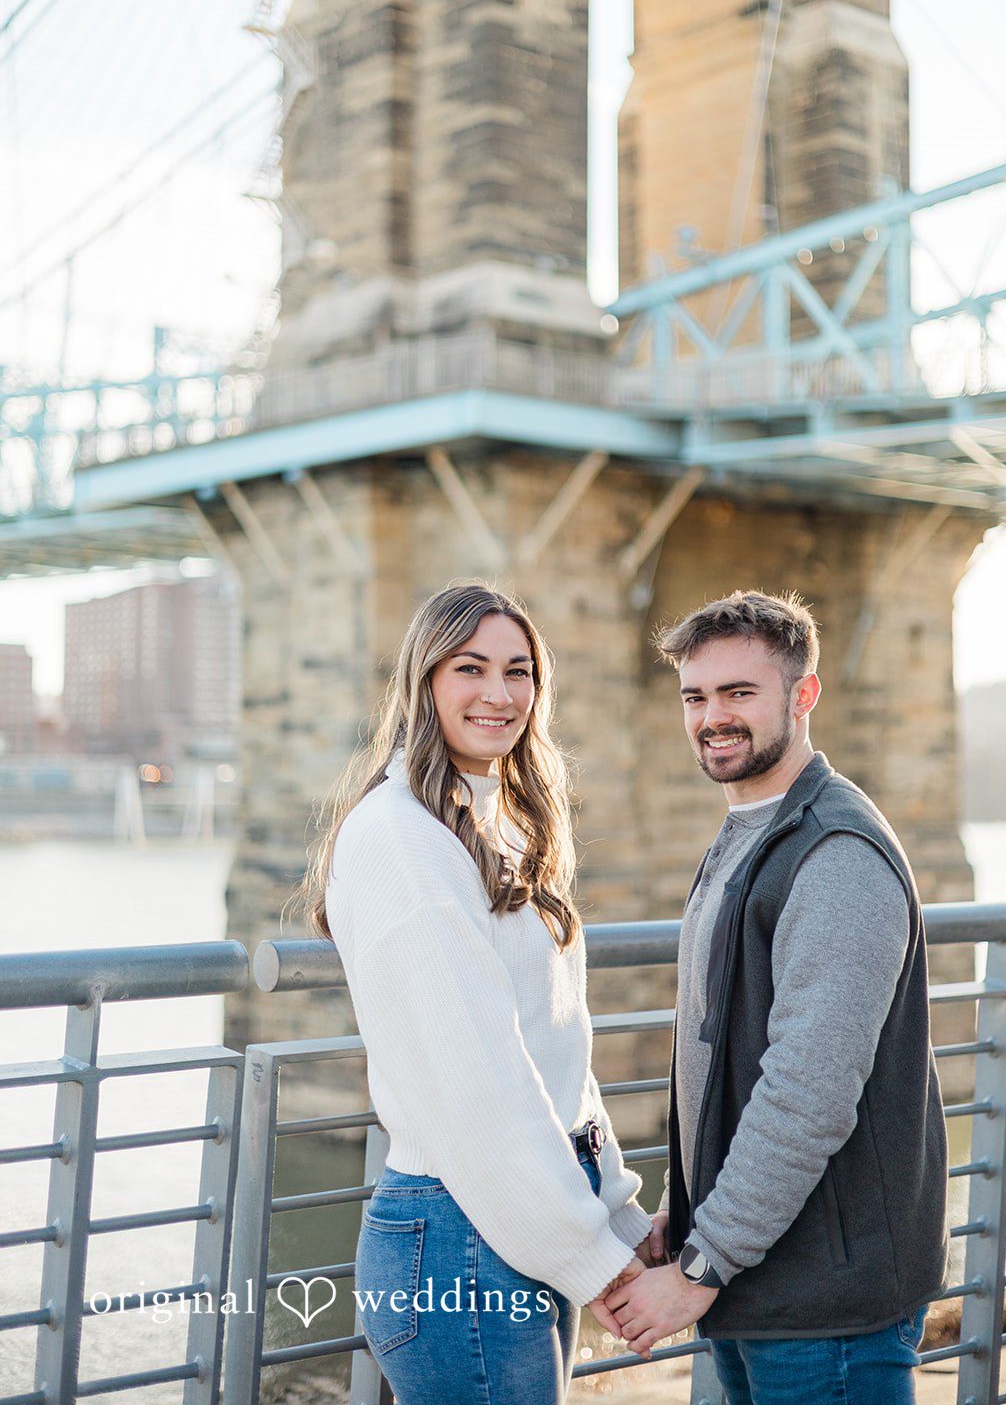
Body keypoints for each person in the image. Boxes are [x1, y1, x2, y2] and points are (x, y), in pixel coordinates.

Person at [294, 582, 653, 1404]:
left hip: (515, 1224)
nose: (500, 694)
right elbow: (476, 1083)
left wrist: (617, 1216)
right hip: (459, 1242)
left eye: (519, 671)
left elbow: (557, 1053)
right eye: (471, 668)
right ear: (425, 681)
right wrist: (591, 1257)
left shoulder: (503, 824)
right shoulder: (400, 837)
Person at [598, 589, 948, 1405]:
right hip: (759, 1279)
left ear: (802, 695)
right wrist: (687, 1226)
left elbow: (807, 1090)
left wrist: (703, 1263)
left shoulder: (834, 853)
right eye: (695, 696)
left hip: (820, 1305)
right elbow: (729, 1057)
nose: (712, 716)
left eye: (738, 693)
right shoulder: (748, 828)